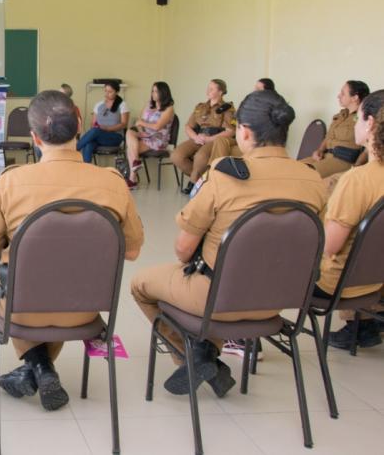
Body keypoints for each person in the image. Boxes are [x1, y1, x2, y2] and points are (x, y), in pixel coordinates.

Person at [131, 90, 326, 397]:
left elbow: (182, 250)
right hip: (279, 301)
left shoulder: (225, 176)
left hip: (220, 298)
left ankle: (194, 356)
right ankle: (205, 352)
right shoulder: (312, 179)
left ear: (244, 132)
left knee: (141, 284)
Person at [0, 90, 144, 411]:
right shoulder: (113, 183)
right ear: (79, 124)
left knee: (1, 279)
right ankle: (41, 368)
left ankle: (37, 366)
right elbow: (131, 251)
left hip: (22, 308)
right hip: (86, 310)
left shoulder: (11, 182)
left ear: (34, 137)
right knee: (66, 279)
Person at [313, 89, 384, 350]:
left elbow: (329, 247)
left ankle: (240, 334)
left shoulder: (357, 180)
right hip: (377, 279)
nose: (355, 123)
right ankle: (364, 323)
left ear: (371, 123)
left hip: (339, 283)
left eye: (359, 119)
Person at [171, 79, 236, 194]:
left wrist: (209, 139)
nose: (208, 91)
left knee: (200, 157)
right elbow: (188, 126)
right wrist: (195, 137)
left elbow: (230, 131)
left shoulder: (227, 108)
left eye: (212, 89)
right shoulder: (200, 107)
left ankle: (192, 183)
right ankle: (200, 181)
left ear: (220, 92)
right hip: (199, 138)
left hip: (214, 139)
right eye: (208, 88)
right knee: (176, 155)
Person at [298, 80, 370, 179]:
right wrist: (319, 150)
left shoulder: (364, 119)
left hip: (343, 160)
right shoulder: (340, 116)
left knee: (306, 175)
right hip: (326, 156)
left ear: (355, 98)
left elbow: (368, 147)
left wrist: (356, 169)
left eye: (343, 93)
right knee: (294, 168)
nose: (338, 96)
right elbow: (328, 137)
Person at [124, 81, 176, 189]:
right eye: (152, 91)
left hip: (157, 138)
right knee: (129, 132)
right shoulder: (149, 104)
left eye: (156, 91)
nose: (153, 93)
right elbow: (139, 119)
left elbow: (157, 127)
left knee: (131, 149)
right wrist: (140, 129)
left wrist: (142, 124)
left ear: (163, 92)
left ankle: (133, 179)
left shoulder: (169, 109)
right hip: (146, 134)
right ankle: (136, 165)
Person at [76, 82, 129, 163]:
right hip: (98, 136)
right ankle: (86, 171)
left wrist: (107, 128)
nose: (107, 94)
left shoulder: (122, 105)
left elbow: (124, 124)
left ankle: (74, 149)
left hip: (115, 137)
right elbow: (93, 124)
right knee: (88, 144)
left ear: (117, 92)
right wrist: (97, 127)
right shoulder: (99, 105)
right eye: (105, 91)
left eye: (110, 92)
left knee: (95, 131)